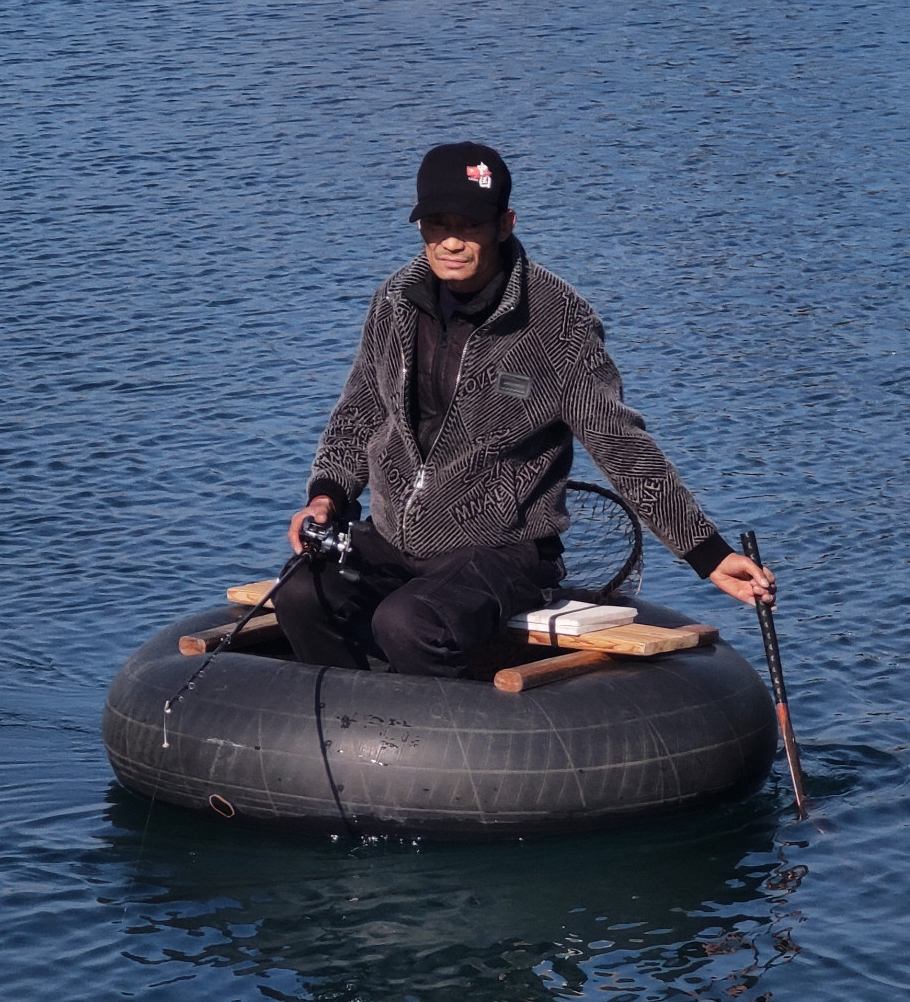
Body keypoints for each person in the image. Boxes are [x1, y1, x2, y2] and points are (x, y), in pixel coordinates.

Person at [274, 141, 774, 678]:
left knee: (408, 622)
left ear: (505, 224)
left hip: (504, 548)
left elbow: (621, 445)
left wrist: (706, 552)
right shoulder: (393, 301)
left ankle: (443, 722)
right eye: (438, 224)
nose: (451, 241)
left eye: (469, 225)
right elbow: (359, 412)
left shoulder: (559, 321)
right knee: (300, 593)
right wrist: (326, 496)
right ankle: (358, 712)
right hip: (392, 537)